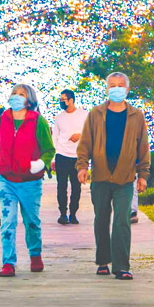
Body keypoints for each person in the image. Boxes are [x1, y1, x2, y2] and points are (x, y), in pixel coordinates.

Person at [77, 72, 150, 280]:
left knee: (121, 221)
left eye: (120, 85)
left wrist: (143, 174)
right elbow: (85, 144)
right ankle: (102, 261)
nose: (116, 88)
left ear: (127, 90)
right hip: (100, 176)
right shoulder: (95, 114)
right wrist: (82, 166)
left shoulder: (136, 116)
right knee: (101, 219)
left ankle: (121, 266)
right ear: (107, 89)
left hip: (125, 178)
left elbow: (143, 147)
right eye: (112, 85)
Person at [0, 84, 55, 277]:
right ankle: (8, 262)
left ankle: (35, 255)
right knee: (7, 221)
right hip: (6, 180)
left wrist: (41, 164)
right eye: (14, 94)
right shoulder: (0, 121)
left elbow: (49, 149)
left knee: (31, 221)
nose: (16, 97)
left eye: (21, 95)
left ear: (29, 100)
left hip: (30, 181)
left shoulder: (38, 122)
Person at [51, 89, 88, 225]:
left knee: (76, 187)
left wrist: (80, 135)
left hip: (78, 157)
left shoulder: (84, 115)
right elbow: (54, 137)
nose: (61, 102)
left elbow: (91, 133)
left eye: (63, 100)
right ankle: (62, 214)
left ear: (71, 100)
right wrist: (53, 158)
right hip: (62, 155)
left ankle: (73, 213)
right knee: (61, 186)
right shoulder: (59, 117)